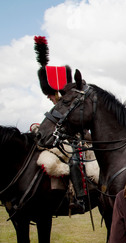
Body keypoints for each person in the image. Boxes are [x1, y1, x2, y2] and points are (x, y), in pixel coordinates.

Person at [34, 35, 87, 214]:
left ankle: (80, 198)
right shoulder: (56, 107)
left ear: (56, 91)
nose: (48, 97)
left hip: (75, 141)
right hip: (57, 142)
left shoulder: (71, 104)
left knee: (73, 160)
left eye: (49, 94)